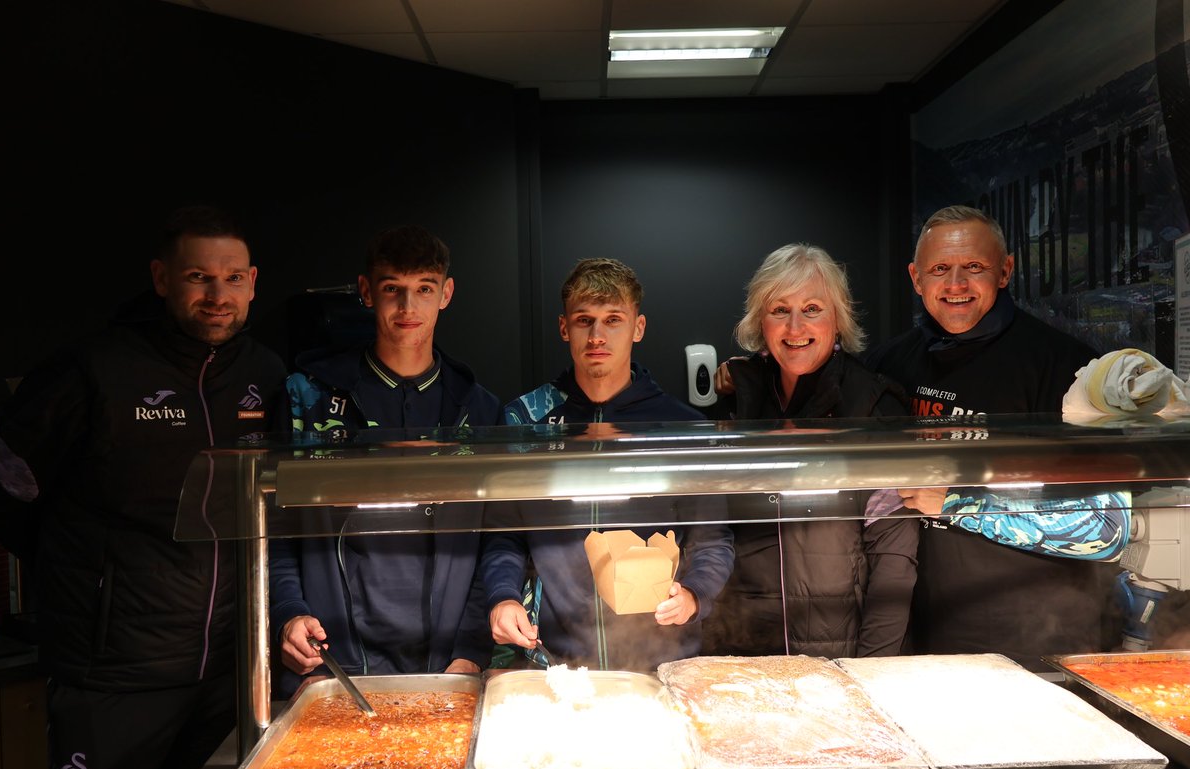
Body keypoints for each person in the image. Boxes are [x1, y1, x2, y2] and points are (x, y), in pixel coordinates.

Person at [0, 206, 285, 769]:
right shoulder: (95, 368)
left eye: (231, 278)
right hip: (113, 675)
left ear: (252, 282)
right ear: (161, 279)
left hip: (228, 670)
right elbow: (5, 484)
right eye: (198, 277)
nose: (217, 295)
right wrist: (88, 578)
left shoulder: (266, 372)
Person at [864, 204, 1127, 669]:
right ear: (915, 277)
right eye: (940, 269)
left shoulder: (1069, 369)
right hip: (923, 636)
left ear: (1005, 271)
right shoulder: (891, 364)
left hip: (1045, 640)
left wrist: (957, 502)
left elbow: (1106, 529)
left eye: (975, 267)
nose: (956, 284)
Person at [270, 224, 499, 696]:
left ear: (446, 294)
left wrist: (471, 649)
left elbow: (496, 540)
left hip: (447, 662)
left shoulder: (480, 411)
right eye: (393, 288)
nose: (408, 307)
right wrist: (288, 612)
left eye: (424, 289)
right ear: (366, 292)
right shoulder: (306, 398)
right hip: (333, 661)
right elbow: (274, 530)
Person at [480, 258, 735, 671]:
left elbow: (711, 540)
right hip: (554, 661)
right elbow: (504, 537)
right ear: (565, 328)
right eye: (584, 320)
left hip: (662, 660)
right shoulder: (526, 421)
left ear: (638, 327)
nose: (597, 335)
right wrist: (503, 597)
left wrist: (694, 595)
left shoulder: (682, 427)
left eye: (613, 319)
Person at [700, 244, 918, 659]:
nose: (795, 326)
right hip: (742, 648)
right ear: (760, 322)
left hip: (840, 656)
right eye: (779, 310)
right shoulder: (740, 401)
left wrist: (872, 673)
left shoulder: (873, 407)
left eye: (813, 308)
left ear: (837, 318)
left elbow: (895, 560)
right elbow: (715, 528)